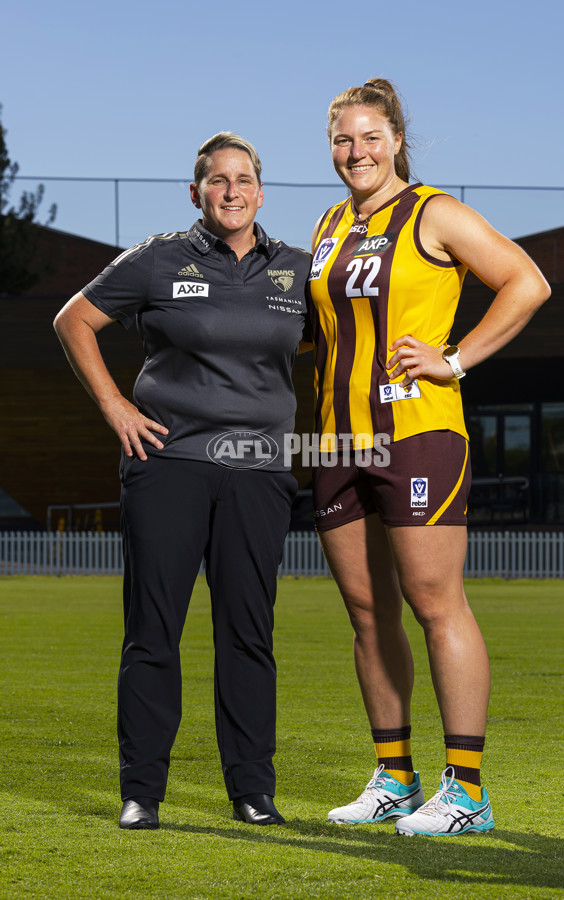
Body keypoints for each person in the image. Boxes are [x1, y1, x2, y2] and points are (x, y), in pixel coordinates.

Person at [308, 79, 550, 836]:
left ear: (397, 140)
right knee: (368, 612)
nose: (357, 151)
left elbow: (527, 281)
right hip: (337, 440)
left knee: (434, 601)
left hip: (418, 434)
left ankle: (468, 790)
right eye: (344, 139)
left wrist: (456, 359)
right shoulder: (329, 224)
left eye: (371, 136)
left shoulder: (433, 212)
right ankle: (394, 778)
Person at [54, 132, 311, 829]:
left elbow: (351, 340)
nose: (232, 191)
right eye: (218, 180)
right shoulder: (158, 258)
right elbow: (72, 319)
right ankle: (143, 792)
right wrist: (115, 407)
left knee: (248, 636)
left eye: (245, 179)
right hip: (169, 469)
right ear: (195, 191)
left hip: (258, 477)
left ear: (262, 191)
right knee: (152, 633)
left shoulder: (296, 270)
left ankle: (253, 791)